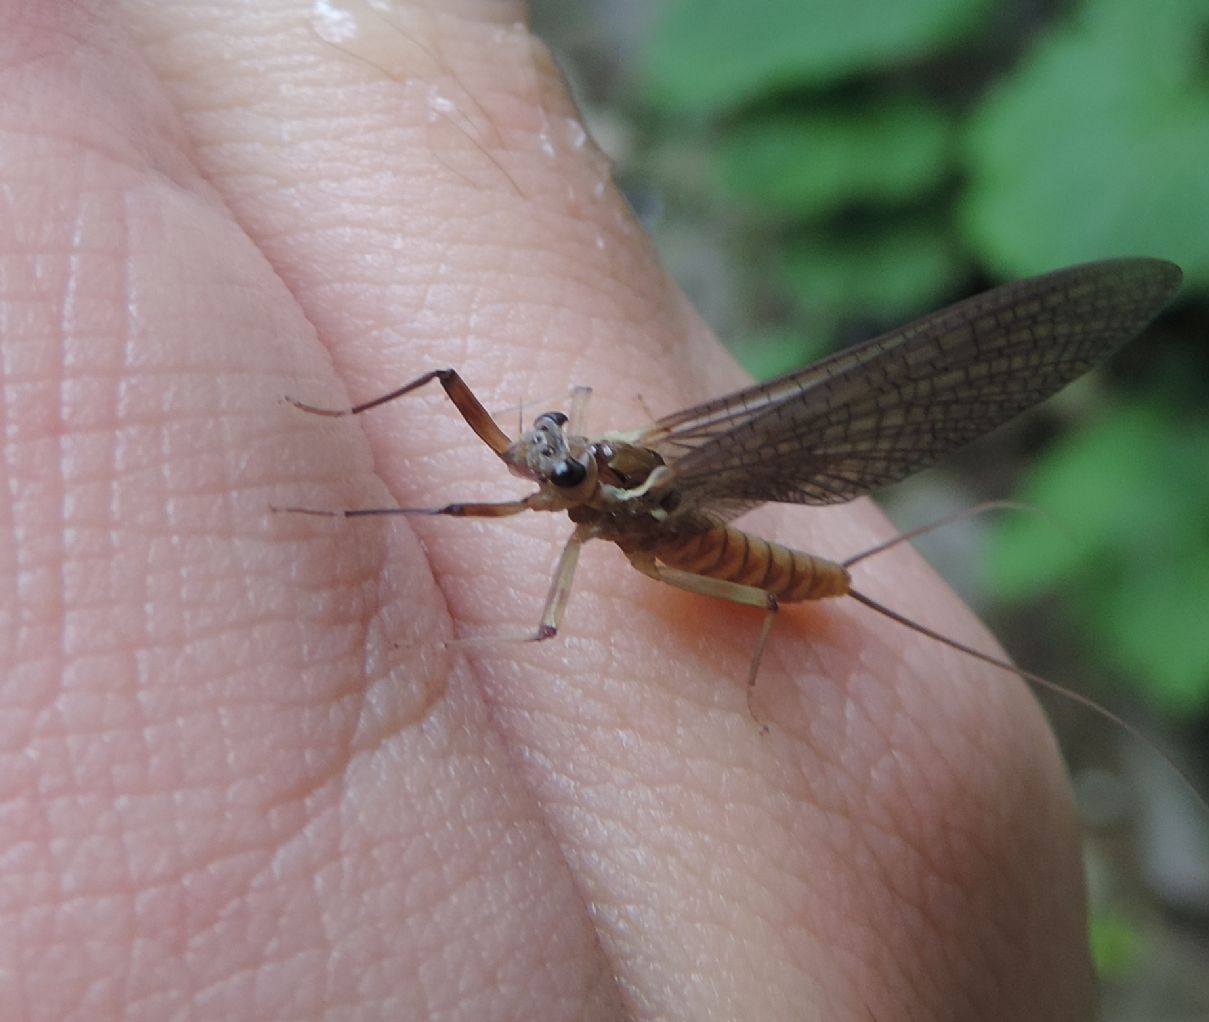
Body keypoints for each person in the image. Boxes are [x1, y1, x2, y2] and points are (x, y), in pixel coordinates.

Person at [0, 1, 1094, 1017]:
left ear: (579, 482)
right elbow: (503, 406)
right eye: (548, 454)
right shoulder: (573, 469)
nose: (541, 461)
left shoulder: (633, 501)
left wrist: (348, 520)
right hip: (688, 540)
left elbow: (545, 612)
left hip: (745, 571)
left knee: (751, 597)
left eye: (555, 464)